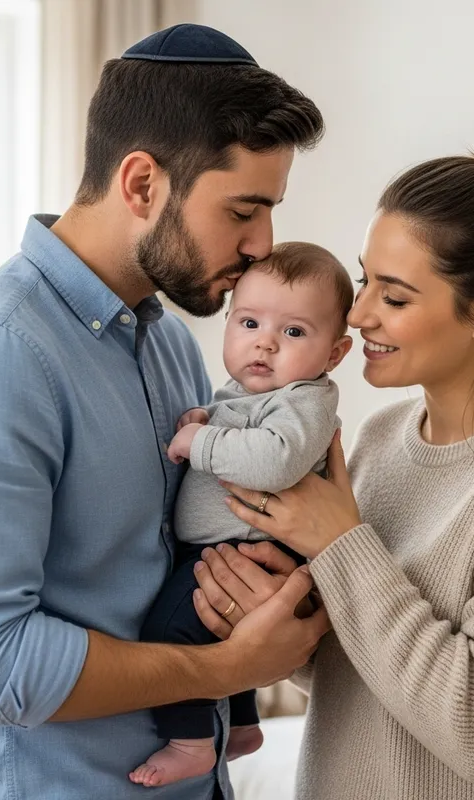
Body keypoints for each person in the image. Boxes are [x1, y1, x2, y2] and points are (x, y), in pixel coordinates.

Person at [0, 24, 329, 800]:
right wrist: (227, 668)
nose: (264, 246)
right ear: (142, 185)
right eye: (243, 211)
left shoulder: (169, 346)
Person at [192, 109, 474, 800]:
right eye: (365, 280)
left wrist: (339, 542)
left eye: (393, 297)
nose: (358, 313)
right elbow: (366, 676)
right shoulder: (378, 439)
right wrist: (275, 623)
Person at [131, 242, 353, 788]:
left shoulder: (306, 399)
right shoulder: (253, 391)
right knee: (225, 634)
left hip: (250, 546)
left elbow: (274, 459)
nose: (266, 342)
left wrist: (201, 440)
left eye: (295, 332)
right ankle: (246, 725)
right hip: (228, 541)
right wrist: (207, 416)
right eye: (249, 322)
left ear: (335, 353)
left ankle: (191, 742)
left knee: (168, 630)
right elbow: (239, 420)